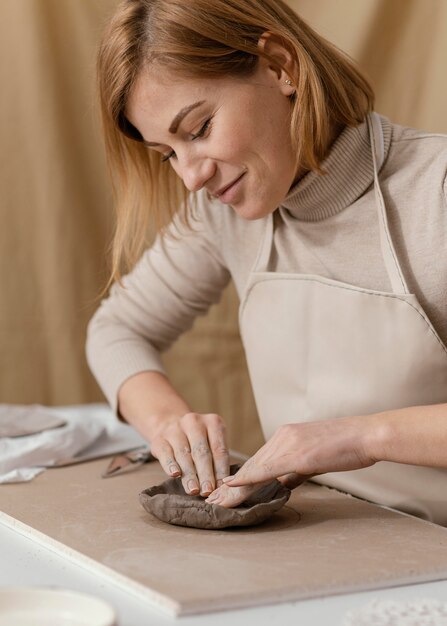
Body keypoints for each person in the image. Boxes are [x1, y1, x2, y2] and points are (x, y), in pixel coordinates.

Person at [87, 0, 447, 524]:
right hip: (322, 549)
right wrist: (168, 422)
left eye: (199, 129)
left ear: (281, 65)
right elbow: (115, 328)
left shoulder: (435, 193)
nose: (190, 177)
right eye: (167, 154)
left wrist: (361, 436)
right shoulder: (222, 214)